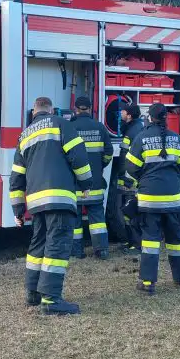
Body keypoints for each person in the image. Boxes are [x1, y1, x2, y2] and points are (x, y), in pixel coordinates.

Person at [10, 96, 93, 314]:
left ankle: (33, 294)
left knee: (37, 246)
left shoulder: (24, 135)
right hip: (60, 197)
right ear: (51, 109)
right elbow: (79, 156)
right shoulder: (61, 124)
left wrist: (18, 210)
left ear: (34, 112)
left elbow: (16, 177)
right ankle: (51, 300)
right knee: (57, 245)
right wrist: (86, 183)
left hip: (36, 202)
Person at [124, 103, 180, 293]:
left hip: (149, 199)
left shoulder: (141, 138)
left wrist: (144, 179)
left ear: (150, 118)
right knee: (177, 240)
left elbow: (131, 166)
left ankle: (147, 283)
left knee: (151, 241)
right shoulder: (177, 139)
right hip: (172, 199)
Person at [71, 96, 113, 259]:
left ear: (75, 109)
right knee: (97, 219)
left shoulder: (70, 127)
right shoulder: (100, 127)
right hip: (95, 182)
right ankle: (101, 250)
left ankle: (77, 251)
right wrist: (100, 166)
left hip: (75, 184)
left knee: (74, 220)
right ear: (90, 109)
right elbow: (109, 153)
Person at [114, 102, 145, 253]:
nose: (121, 114)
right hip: (136, 176)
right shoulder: (140, 127)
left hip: (129, 177)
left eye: (123, 112)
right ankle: (132, 242)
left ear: (129, 115)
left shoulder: (131, 132)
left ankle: (136, 244)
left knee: (130, 210)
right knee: (131, 209)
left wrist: (121, 176)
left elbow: (124, 157)